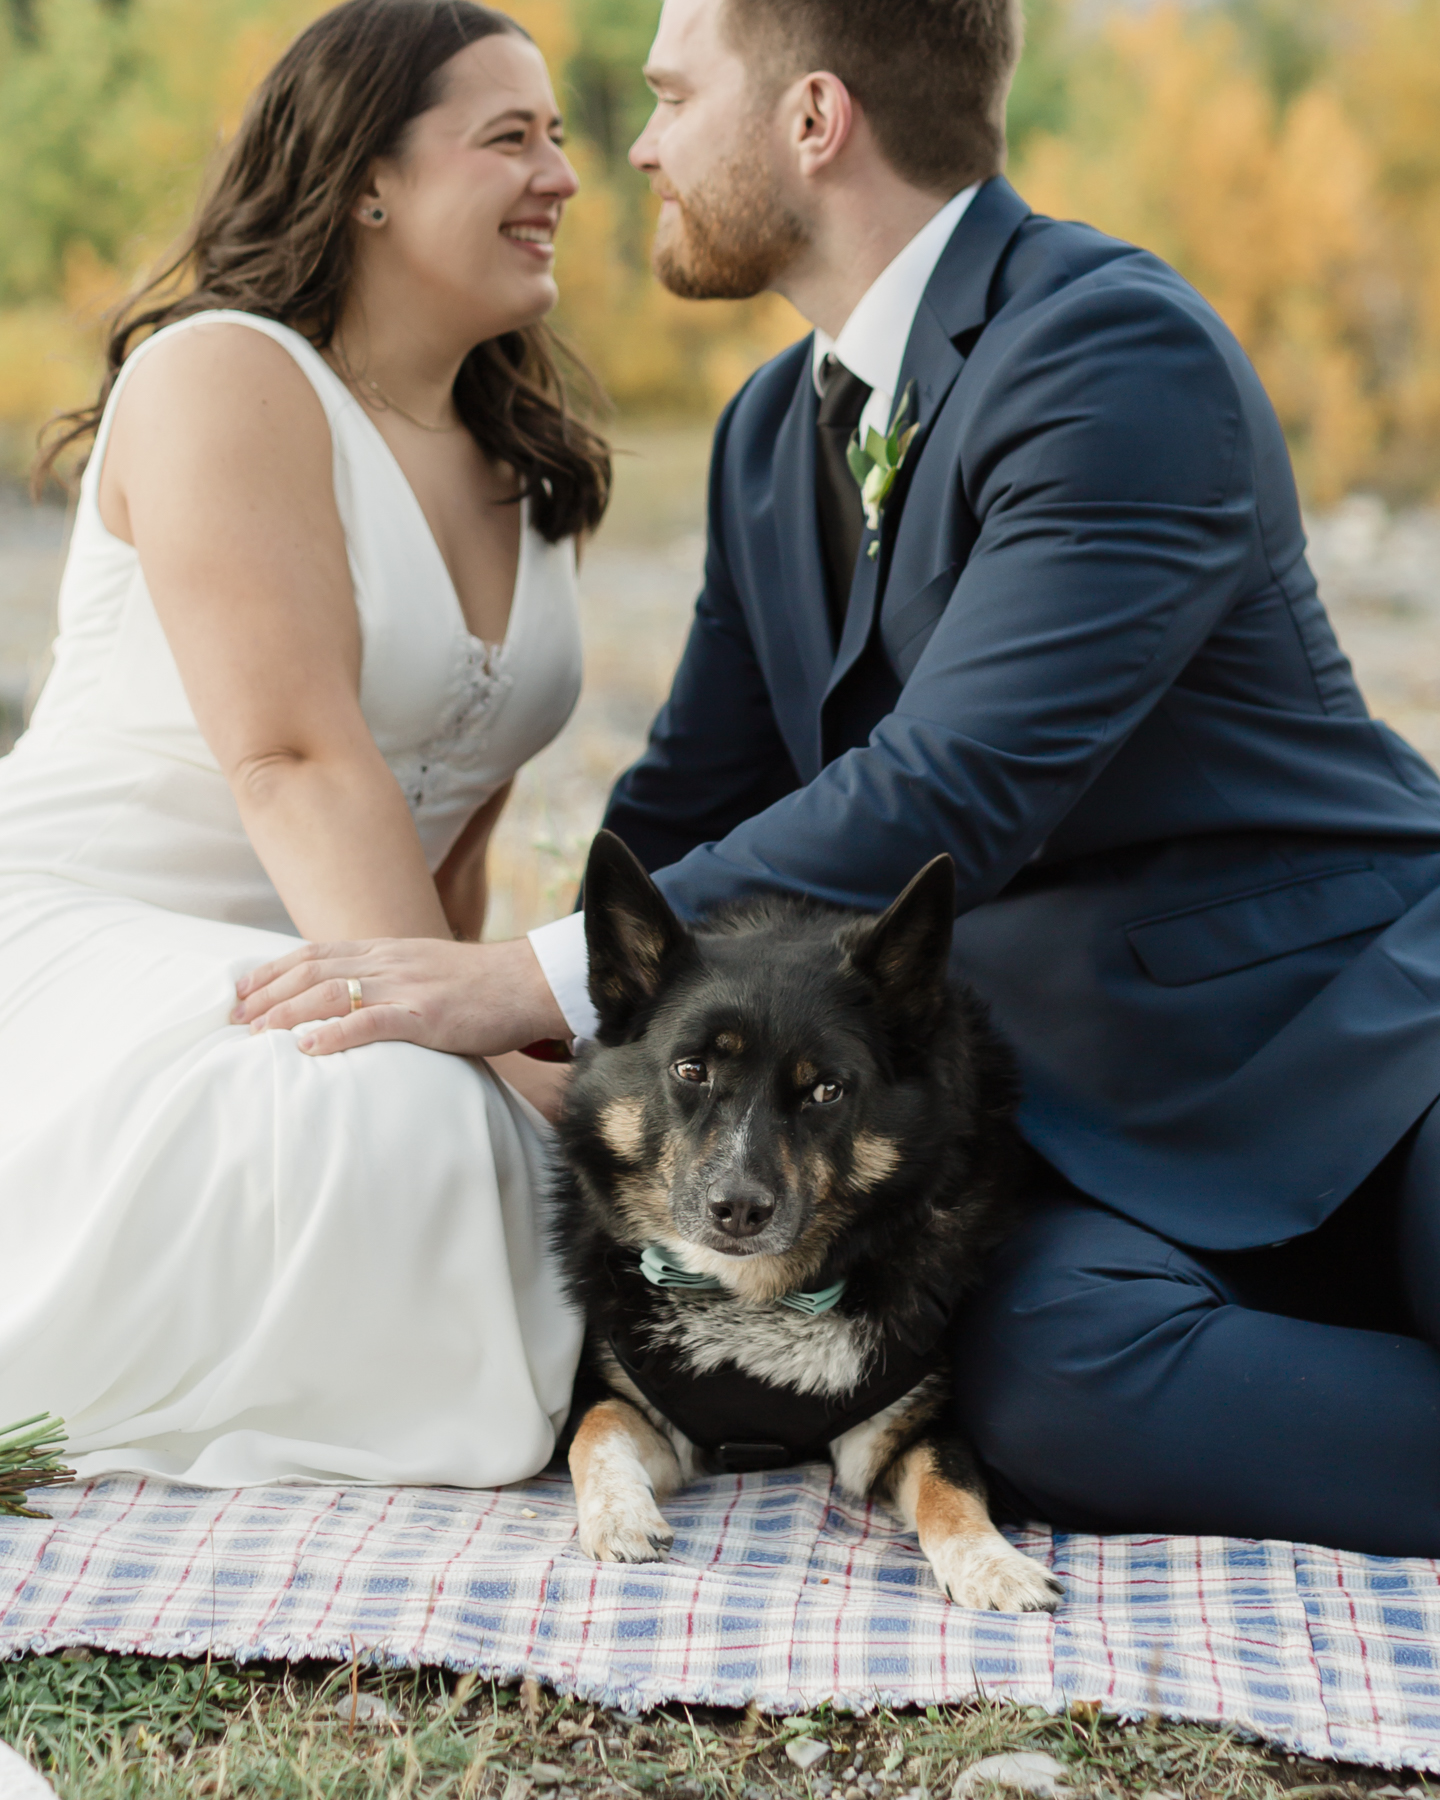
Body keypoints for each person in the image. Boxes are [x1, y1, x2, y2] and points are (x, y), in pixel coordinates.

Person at [243, 0, 1440, 1555]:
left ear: (813, 120)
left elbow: (952, 787)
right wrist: (588, 1026)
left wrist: (508, 980)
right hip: (1092, 1149)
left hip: (1357, 1046)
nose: (642, 147)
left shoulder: (1111, 351)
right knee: (1045, 1389)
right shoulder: (766, 436)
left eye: (672, 97)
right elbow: (684, 808)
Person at [0, 0, 607, 1487]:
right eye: (508, 138)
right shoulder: (225, 376)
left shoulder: (528, 466)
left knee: (523, 1131)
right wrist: (479, 1046)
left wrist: (505, 1028)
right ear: (368, 179)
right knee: (401, 1117)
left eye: (563, 138)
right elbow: (294, 759)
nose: (563, 178)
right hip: (80, 933)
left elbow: (450, 834)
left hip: (335, 957)